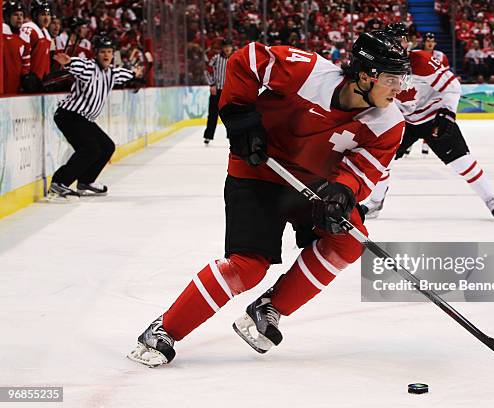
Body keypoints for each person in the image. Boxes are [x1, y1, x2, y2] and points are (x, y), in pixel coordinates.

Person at [128, 31, 411, 367]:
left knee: (348, 242)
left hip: (310, 186)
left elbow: (363, 170)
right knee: (247, 268)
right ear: (365, 76)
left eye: (402, 78)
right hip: (257, 171)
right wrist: (240, 114)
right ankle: (164, 330)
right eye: (393, 79)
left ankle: (270, 308)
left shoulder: (390, 123)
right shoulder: (308, 72)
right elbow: (245, 60)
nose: (400, 89)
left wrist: (343, 191)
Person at [361, 27, 494, 220]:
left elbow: (452, 86)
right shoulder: (378, 66)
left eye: (399, 42)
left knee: (462, 161)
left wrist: (447, 114)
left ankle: (490, 198)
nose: (395, 47)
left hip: (433, 117)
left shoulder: (422, 61)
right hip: (403, 120)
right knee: (381, 160)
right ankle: (376, 202)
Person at [47, 35, 143, 200]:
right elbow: (78, 65)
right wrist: (68, 62)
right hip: (69, 115)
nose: (106, 55)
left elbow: (125, 74)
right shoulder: (89, 68)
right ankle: (59, 182)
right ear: (96, 54)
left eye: (109, 52)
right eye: (102, 52)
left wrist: (135, 74)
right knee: (90, 149)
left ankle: (86, 181)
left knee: (107, 147)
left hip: (84, 119)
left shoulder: (111, 73)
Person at [202, 40, 234, 145]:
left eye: (229, 47)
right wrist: (211, 84)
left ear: (232, 48)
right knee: (213, 114)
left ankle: (232, 136)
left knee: (230, 115)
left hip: (229, 92)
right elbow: (207, 70)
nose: (227, 49)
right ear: (222, 48)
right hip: (217, 91)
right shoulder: (216, 58)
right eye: (225, 47)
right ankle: (208, 136)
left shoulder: (235, 59)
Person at [19, 0, 53, 92]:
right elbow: (20, 57)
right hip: (28, 84)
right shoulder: (28, 29)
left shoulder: (46, 34)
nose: (46, 18)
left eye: (48, 14)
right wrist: (25, 77)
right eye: (43, 14)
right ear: (35, 15)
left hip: (39, 84)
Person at [2, 0, 30, 95]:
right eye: (15, 14)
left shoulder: (25, 38)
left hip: (15, 89)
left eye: (21, 15)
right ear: (7, 16)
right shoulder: (2, 32)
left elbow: (25, 65)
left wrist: (26, 78)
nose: (19, 18)